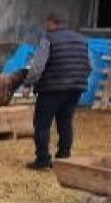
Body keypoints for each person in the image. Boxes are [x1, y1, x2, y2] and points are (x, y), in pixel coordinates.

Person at [25, 12, 92, 170]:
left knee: (42, 124)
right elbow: (89, 66)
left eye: (47, 23)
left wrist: (29, 83)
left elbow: (37, 66)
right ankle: (64, 156)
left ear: (52, 23)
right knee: (65, 122)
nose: (45, 26)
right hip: (75, 88)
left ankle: (42, 160)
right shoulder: (82, 40)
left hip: (52, 89)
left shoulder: (48, 39)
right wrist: (77, 79)